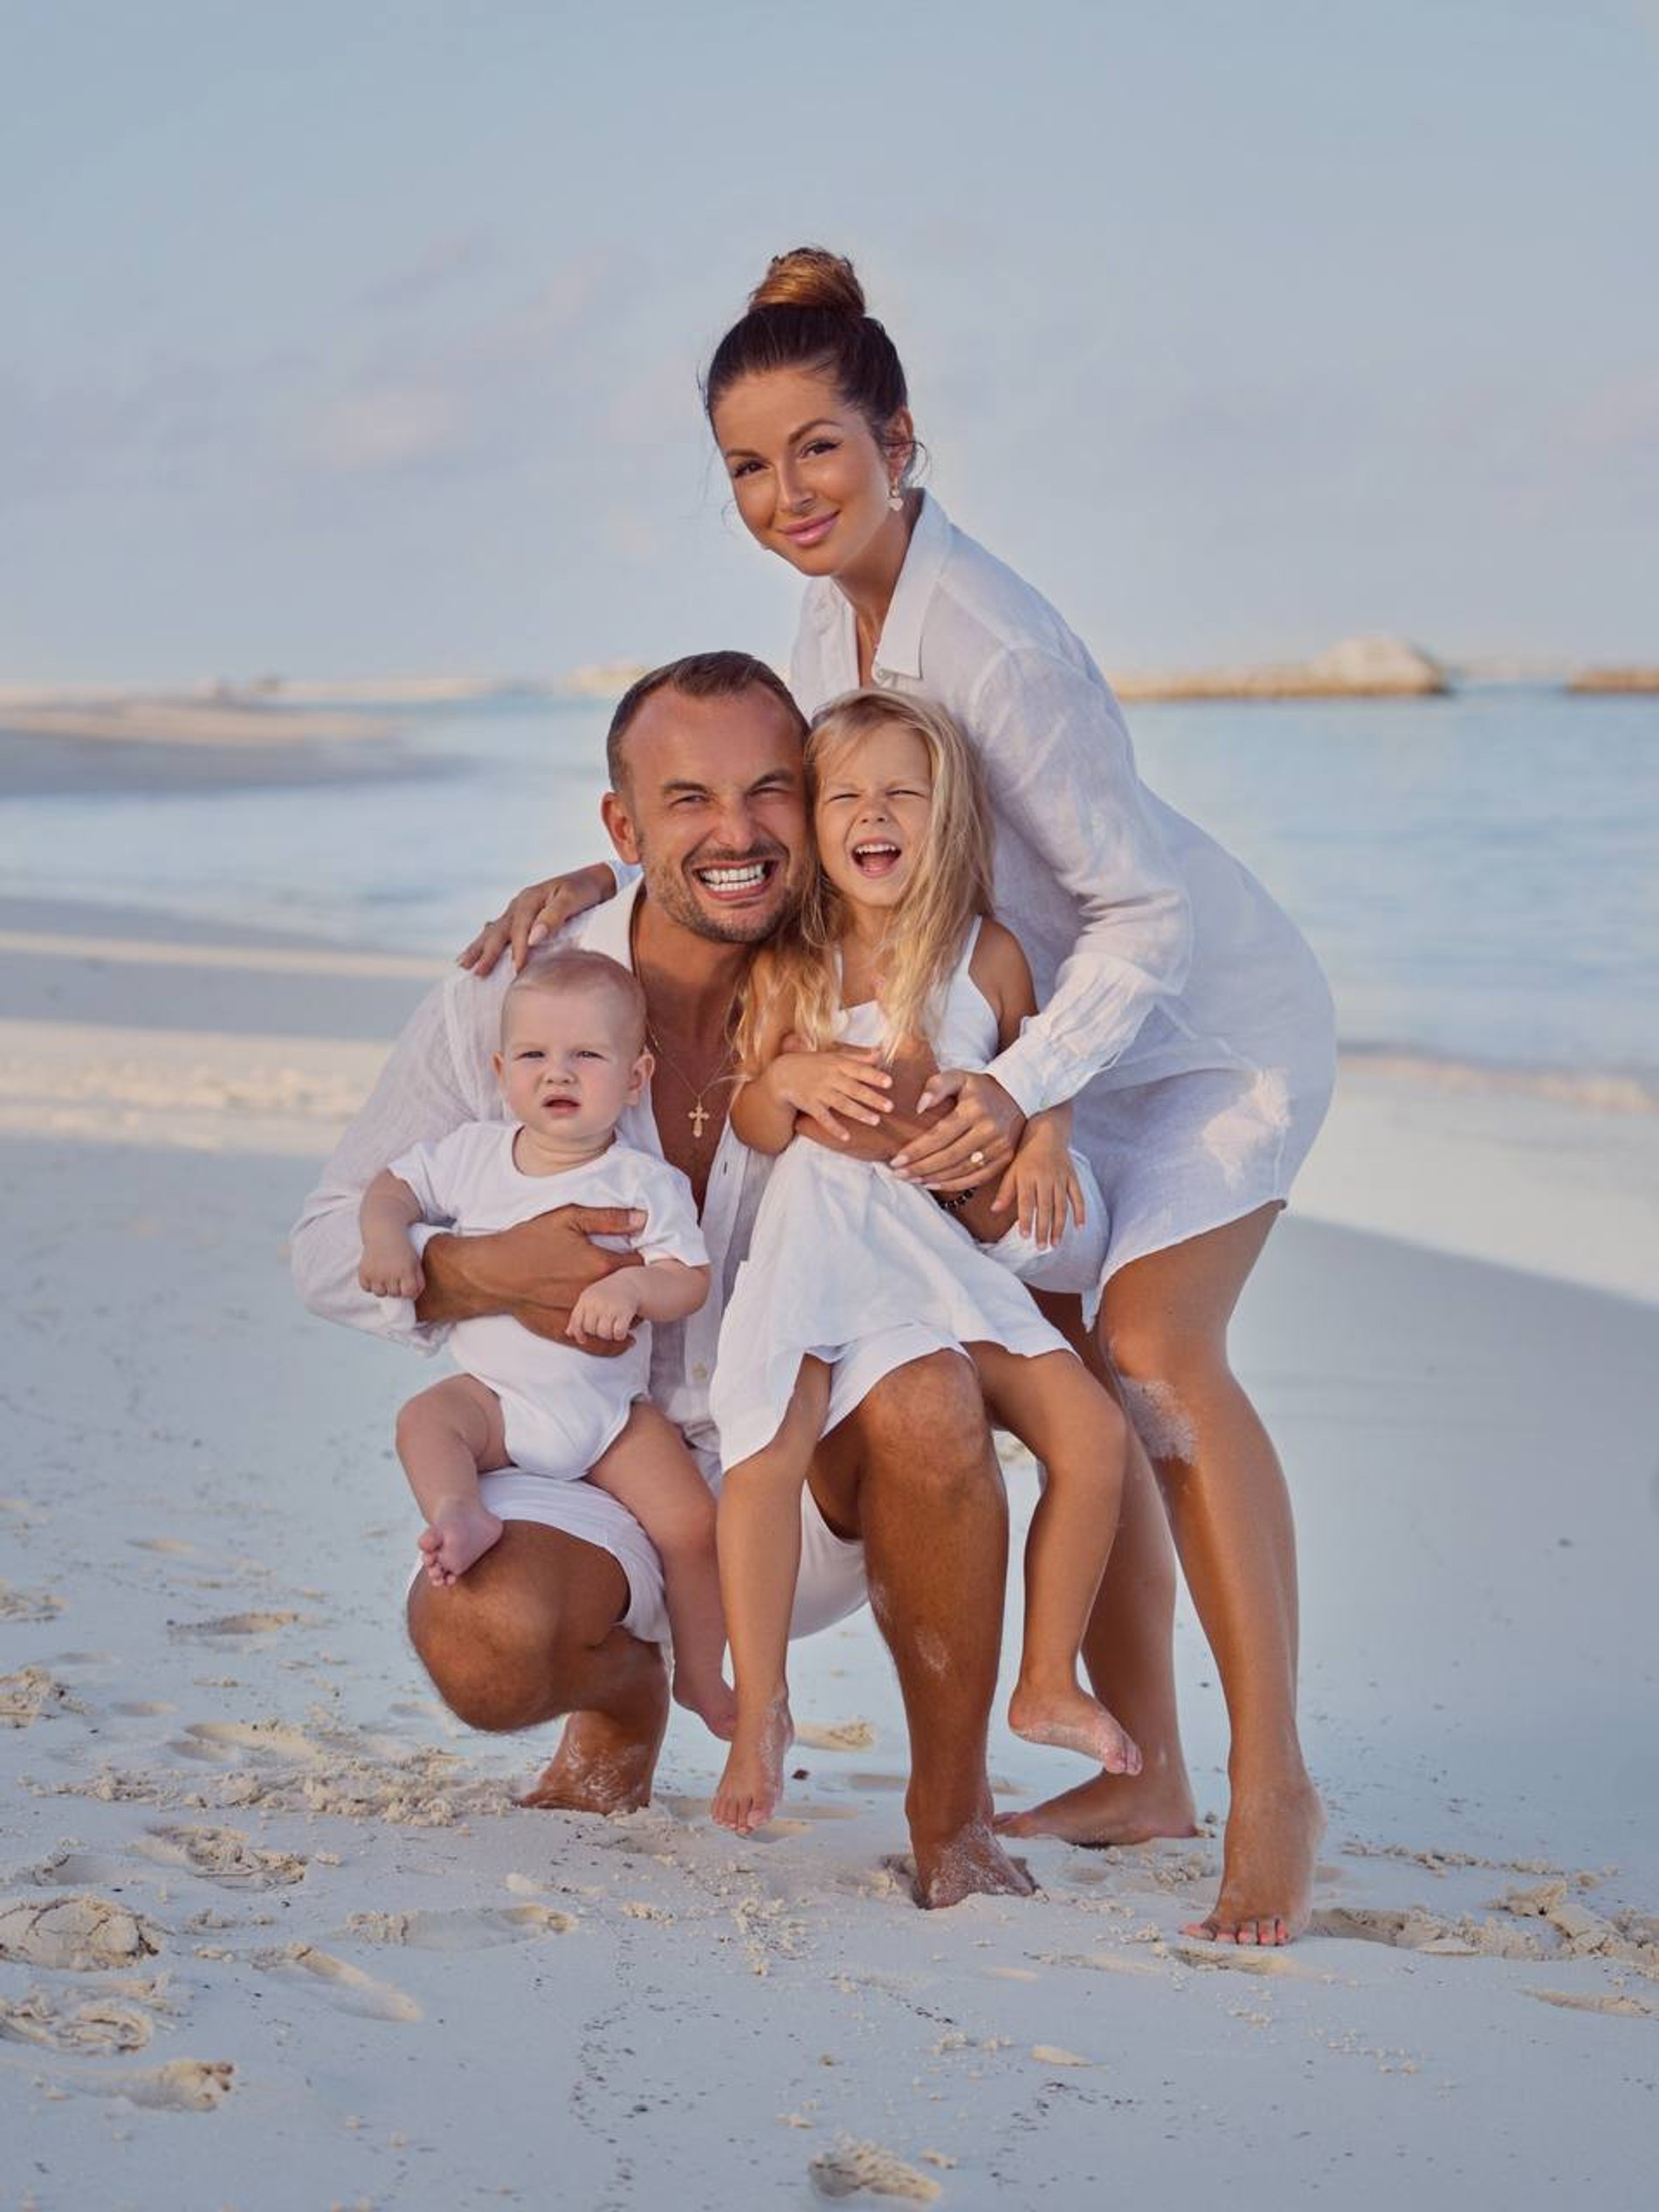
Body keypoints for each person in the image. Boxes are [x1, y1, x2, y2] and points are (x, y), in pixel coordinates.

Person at [463, 251, 1339, 1946]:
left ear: (898, 440)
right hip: (1020, 1029)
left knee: (1152, 1355)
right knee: (1064, 1346)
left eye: (818, 448)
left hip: (1188, 1029)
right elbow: (790, 838)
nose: (784, 491)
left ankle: (1270, 1783)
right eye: (746, 463)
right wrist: (598, 893)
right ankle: (1147, 1765)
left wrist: (1022, 1092)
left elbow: (1144, 916)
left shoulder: (996, 641)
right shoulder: (827, 612)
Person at [293, 651, 1038, 1907]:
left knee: (929, 1391)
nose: (735, 833)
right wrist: (482, 1271)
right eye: (687, 799)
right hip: (586, 1461)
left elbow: (1044, 1230)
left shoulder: (884, 978)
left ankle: (952, 1819)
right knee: (480, 1642)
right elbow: (324, 1244)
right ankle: (625, 1692)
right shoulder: (514, 995)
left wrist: (989, 1158)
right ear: (622, 828)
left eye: (769, 791)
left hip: (803, 1470)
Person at [711, 688, 1137, 1834]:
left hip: (932, 1247)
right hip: (819, 1232)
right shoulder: (795, 960)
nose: (874, 813)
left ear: (946, 815)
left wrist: (1044, 1140)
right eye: (845, 794)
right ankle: (760, 1706)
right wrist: (787, 1080)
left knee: (1092, 1437)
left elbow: (1043, 1070)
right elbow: (752, 1117)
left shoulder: (986, 955)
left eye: (903, 792)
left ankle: (1045, 1678)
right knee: (766, 1447)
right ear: (813, 821)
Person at [356, 947, 733, 1738]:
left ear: (635, 1078)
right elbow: (391, 1187)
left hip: (609, 1414)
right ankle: (461, 1511)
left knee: (694, 1525)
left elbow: (688, 1277)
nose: (557, 1072)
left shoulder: (641, 1181)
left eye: (586, 1056)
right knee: (424, 1419)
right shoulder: (474, 1157)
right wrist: (391, 1239)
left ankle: (701, 1671)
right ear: (501, 1072)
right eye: (533, 1056)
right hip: (495, 1400)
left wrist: (633, 1288)